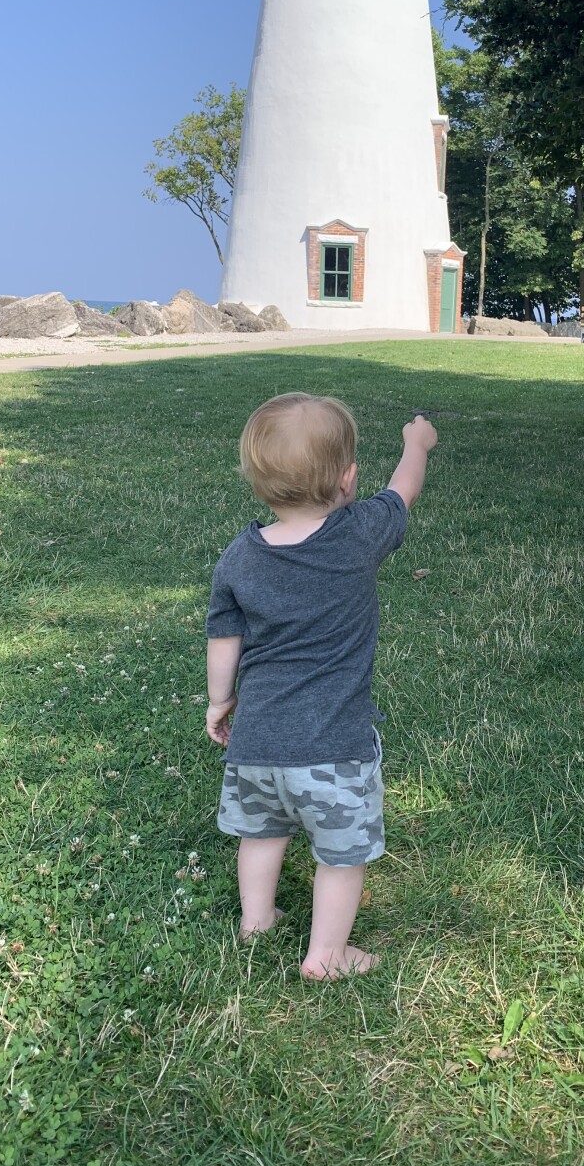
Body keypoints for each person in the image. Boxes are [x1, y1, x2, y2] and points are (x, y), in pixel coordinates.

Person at [205, 393, 437, 979]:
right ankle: (326, 954)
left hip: (256, 745)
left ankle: (256, 921)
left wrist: (218, 700)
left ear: (257, 482)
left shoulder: (240, 557)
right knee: (341, 858)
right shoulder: (357, 536)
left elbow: (223, 639)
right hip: (335, 750)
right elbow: (404, 489)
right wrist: (416, 445)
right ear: (348, 477)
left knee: (261, 835)